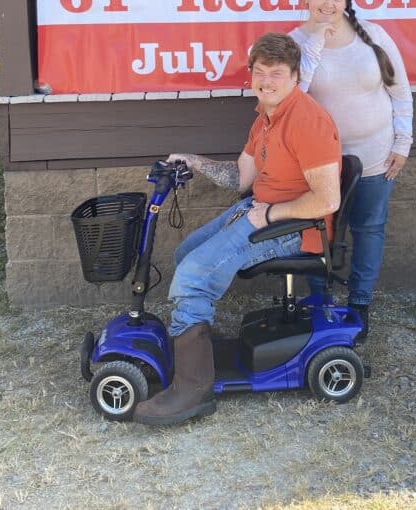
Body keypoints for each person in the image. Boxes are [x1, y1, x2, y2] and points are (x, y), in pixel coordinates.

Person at [134, 32, 341, 426]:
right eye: (260, 72)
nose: (266, 80)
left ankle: (193, 390)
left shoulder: (307, 121)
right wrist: (193, 161)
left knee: (194, 278)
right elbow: (242, 178)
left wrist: (271, 214)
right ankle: (197, 351)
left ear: (295, 77)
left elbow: (327, 200)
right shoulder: (265, 116)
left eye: (276, 73)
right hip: (261, 210)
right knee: (184, 255)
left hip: (297, 226)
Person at [289, 0, 412, 342]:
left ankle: (360, 304)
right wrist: (316, 41)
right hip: (318, 162)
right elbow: (293, 98)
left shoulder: (373, 34)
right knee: (315, 232)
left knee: (369, 228)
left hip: (376, 155)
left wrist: (403, 142)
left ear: (348, 0)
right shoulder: (293, 43)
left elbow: (399, 90)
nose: (328, 4)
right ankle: (319, 303)